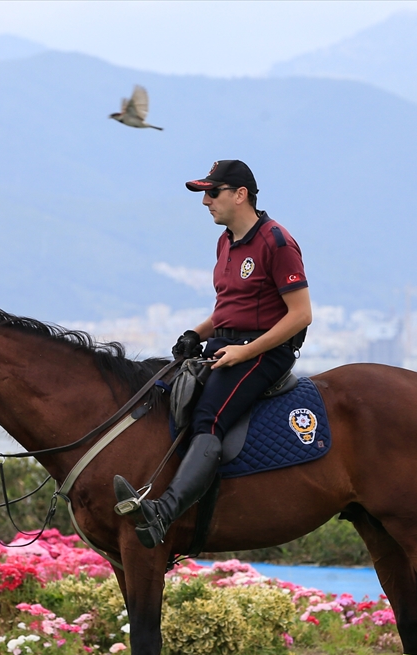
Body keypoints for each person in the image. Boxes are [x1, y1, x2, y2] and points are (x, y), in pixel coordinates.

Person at [115, 159, 312, 548]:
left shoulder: (276, 241)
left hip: (266, 350)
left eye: (213, 192)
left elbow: (301, 315)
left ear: (240, 195)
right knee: (167, 395)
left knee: (209, 417)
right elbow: (228, 308)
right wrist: (196, 333)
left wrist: (245, 353)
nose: (205, 201)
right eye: (203, 194)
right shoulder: (225, 241)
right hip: (224, 343)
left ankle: (164, 513)